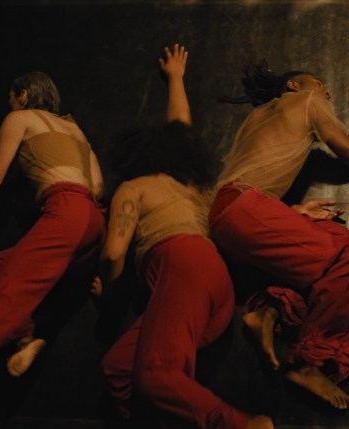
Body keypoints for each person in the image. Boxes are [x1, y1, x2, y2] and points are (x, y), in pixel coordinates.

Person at [96, 44, 273, 429]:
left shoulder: (134, 187)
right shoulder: (191, 186)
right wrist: (176, 79)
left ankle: (242, 425)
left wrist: (108, 294)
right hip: (216, 289)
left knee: (156, 374)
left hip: (181, 269)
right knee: (119, 367)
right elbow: (181, 129)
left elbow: (112, 255)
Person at [210, 60, 349, 409]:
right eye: (317, 82)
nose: (325, 91)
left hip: (226, 213)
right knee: (340, 255)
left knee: (330, 239)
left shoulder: (256, 118)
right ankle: (309, 362)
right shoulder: (306, 101)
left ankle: (268, 311)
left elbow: (251, 174)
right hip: (246, 207)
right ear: (293, 86)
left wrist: (292, 212)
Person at [0, 69, 105, 375]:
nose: (10, 105)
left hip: (66, 212)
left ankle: (13, 332)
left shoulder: (20, 118)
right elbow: (98, 187)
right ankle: (25, 336)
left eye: (11, 99)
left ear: (23, 95)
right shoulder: (76, 130)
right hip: (94, 222)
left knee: (5, 293)